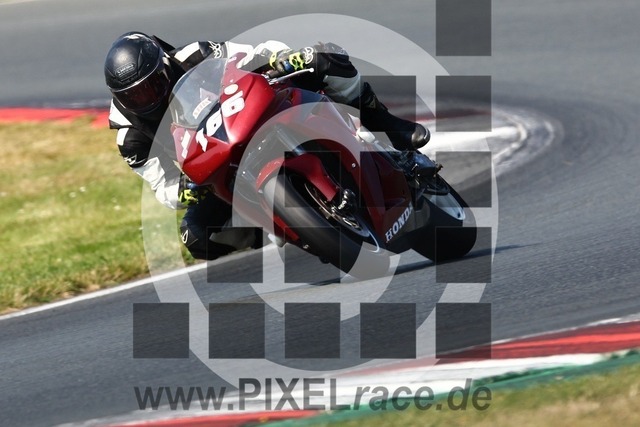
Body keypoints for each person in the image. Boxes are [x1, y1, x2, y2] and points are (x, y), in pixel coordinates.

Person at [104, 32, 430, 261]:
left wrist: (280, 58)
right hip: (219, 165)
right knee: (197, 235)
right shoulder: (129, 136)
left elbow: (252, 54)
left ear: (164, 67)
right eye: (133, 96)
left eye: (152, 86)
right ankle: (289, 228)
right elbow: (162, 187)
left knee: (322, 58)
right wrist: (186, 191)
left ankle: (386, 123)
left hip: (255, 111)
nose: (146, 99)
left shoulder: (193, 55)